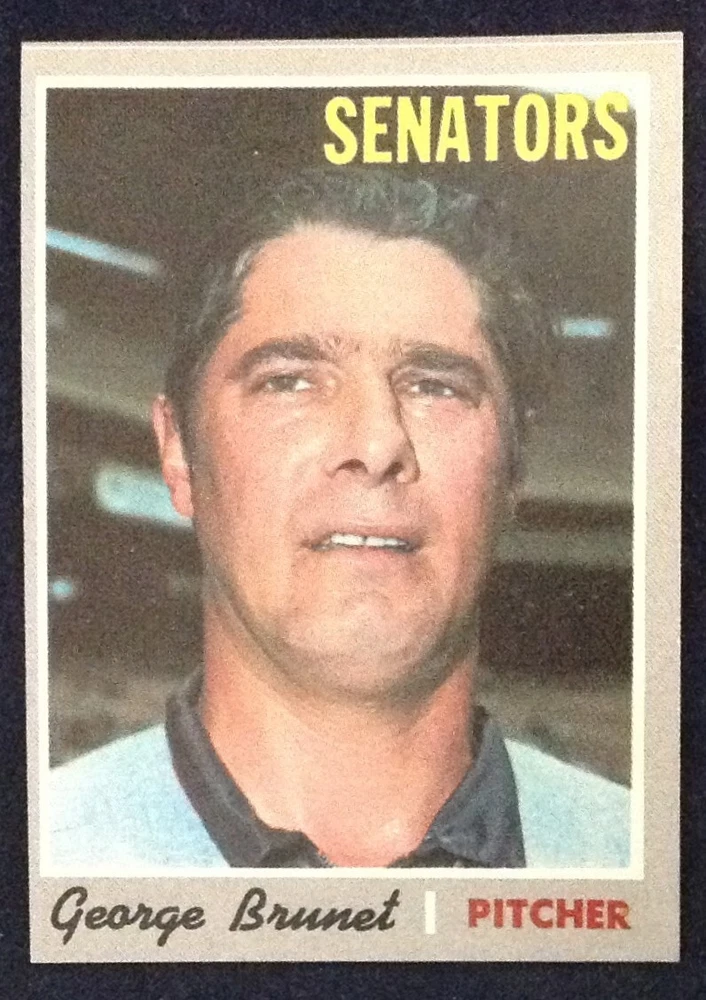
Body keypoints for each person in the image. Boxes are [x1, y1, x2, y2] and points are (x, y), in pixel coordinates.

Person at [50, 169, 630, 869]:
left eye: (436, 386)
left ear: (513, 465)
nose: (376, 444)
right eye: (289, 381)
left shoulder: (645, 862)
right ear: (178, 452)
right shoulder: (40, 858)